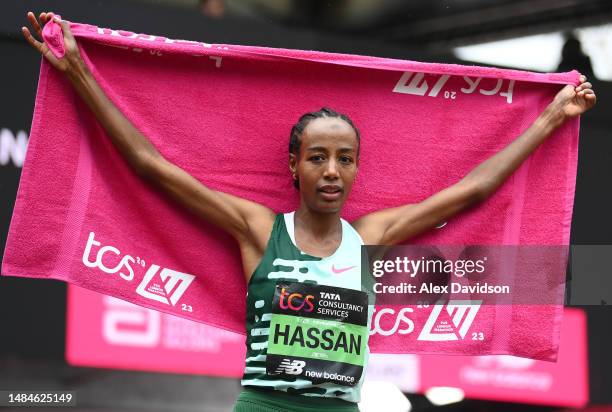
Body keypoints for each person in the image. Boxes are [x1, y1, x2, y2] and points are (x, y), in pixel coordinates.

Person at [22, 11, 596, 412]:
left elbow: (472, 192)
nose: (331, 170)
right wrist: (78, 71)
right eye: (317, 157)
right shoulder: (256, 229)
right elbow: (150, 165)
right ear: (293, 166)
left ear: (356, 170)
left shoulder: (370, 236)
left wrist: (550, 119)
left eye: (345, 159)